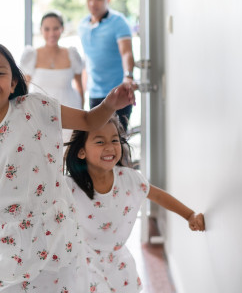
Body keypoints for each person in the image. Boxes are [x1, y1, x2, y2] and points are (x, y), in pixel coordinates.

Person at [0, 40, 136, 292]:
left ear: (13, 82)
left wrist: (110, 104)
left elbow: (88, 120)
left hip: (58, 246)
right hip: (6, 256)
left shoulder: (36, 108)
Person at [64, 116, 205, 293]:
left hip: (119, 263)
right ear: (81, 151)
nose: (109, 147)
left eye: (114, 140)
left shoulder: (129, 179)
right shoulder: (68, 187)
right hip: (85, 262)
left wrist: (189, 215)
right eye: (100, 142)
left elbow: (159, 196)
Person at [78, 0, 136, 131]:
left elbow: (126, 53)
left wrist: (128, 77)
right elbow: (87, 61)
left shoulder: (118, 22)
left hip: (118, 93)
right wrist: (82, 94)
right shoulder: (82, 26)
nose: (93, 3)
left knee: (119, 140)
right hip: (95, 94)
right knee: (97, 140)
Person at [20, 11, 84, 141]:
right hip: (40, 113)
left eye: (56, 28)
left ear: (62, 29)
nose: (51, 33)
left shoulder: (72, 54)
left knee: (66, 150)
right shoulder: (32, 55)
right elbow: (24, 87)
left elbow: (79, 85)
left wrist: (82, 113)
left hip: (69, 111)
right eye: (47, 29)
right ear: (41, 30)